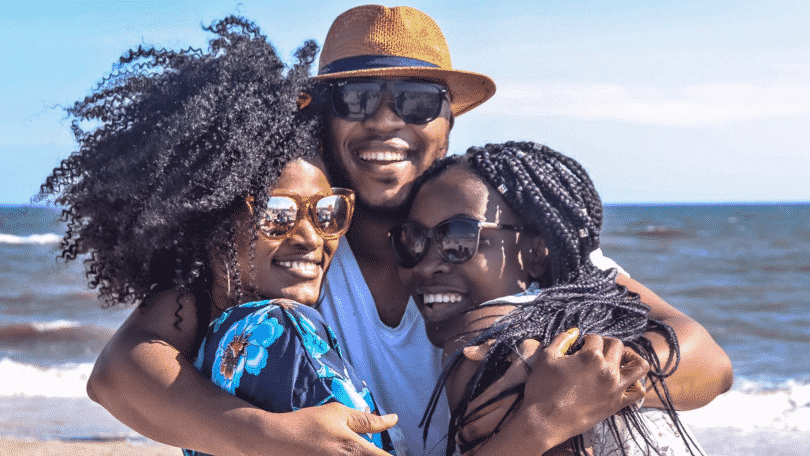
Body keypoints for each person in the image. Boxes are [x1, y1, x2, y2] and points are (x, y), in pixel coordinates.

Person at [85, 5, 732, 456]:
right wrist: (268, 439)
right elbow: (122, 372)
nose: (385, 121)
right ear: (321, 116)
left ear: (450, 123)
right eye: (358, 99)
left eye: (418, 101)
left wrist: (567, 389)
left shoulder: (501, 236)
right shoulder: (292, 244)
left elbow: (702, 357)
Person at [39, 17, 400, 456]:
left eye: (329, 211)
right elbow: (114, 374)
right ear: (212, 219)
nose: (310, 235)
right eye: (277, 212)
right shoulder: (262, 321)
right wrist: (269, 435)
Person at [396, 142, 709, 455]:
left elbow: (712, 362)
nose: (426, 264)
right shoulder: (577, 312)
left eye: (458, 238)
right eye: (413, 240)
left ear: (537, 251)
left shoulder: (489, 337)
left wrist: (596, 380)